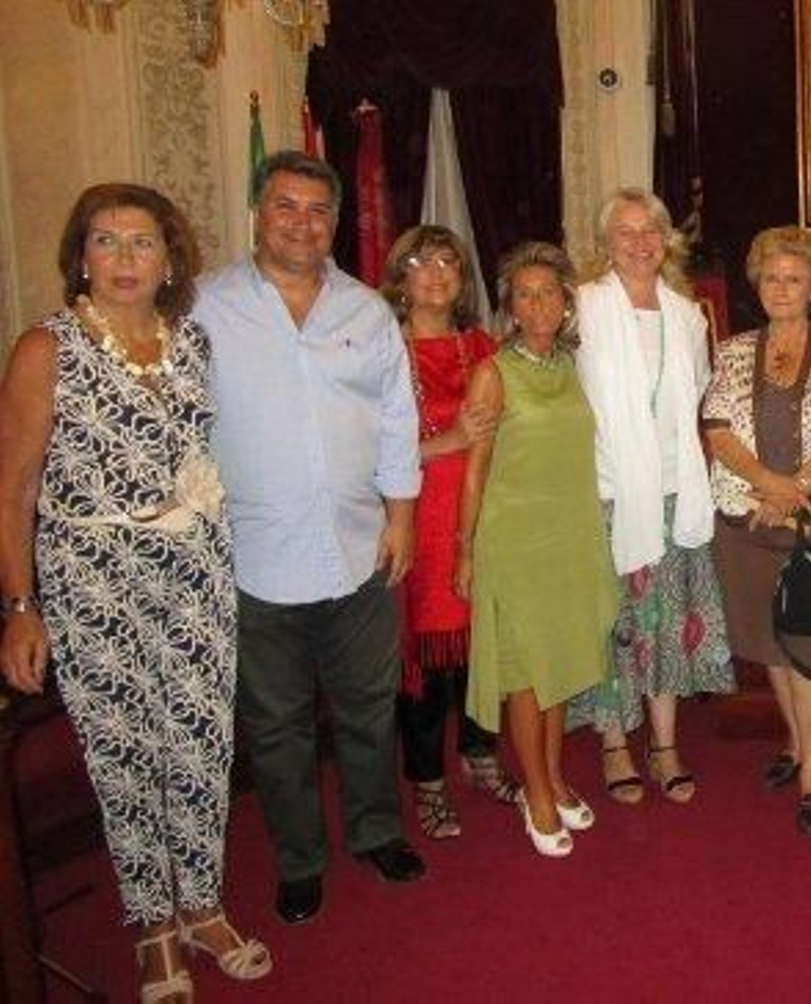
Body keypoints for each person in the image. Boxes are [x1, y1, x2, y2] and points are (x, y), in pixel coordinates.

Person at [0, 184, 271, 1001]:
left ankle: (202, 905)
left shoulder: (191, 343)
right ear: (80, 257)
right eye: (106, 241)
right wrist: (20, 607)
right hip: (93, 575)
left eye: (142, 242)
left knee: (200, 742)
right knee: (126, 754)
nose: (124, 258)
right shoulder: (45, 348)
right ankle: (154, 927)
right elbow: (14, 488)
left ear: (169, 260)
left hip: (194, 566)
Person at [196, 150, 425, 926]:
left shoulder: (366, 311)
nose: (302, 223)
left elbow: (396, 420)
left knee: (368, 708)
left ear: (336, 221)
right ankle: (299, 862)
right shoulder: (204, 308)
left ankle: (377, 831)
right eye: (286, 206)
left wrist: (401, 516)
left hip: (359, 550)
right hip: (253, 560)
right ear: (258, 214)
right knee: (277, 727)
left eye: (318, 209)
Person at [573, 188, 734, 806]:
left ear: (667, 241)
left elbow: (696, 395)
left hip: (672, 489)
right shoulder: (582, 307)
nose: (639, 242)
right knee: (613, 621)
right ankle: (615, 740)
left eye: (651, 231)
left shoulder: (687, 314)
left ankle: (664, 743)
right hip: (606, 490)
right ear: (605, 242)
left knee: (664, 619)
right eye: (625, 231)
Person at [454, 242, 616, 857]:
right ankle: (537, 793)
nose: (538, 304)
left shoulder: (570, 366)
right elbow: (475, 470)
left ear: (565, 303)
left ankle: (552, 776)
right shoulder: (493, 372)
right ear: (511, 307)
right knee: (527, 676)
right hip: (516, 541)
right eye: (525, 295)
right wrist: (465, 550)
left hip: (570, 536)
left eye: (548, 292)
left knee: (560, 666)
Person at [702, 226, 811, 837]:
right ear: (757, 283)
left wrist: (794, 491)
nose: (782, 288)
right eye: (771, 277)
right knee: (771, 640)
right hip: (747, 520)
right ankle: (795, 743)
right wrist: (769, 485)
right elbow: (717, 430)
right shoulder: (733, 350)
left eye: (795, 278)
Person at [378, 225, 517, 841]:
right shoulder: (379, 351)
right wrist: (449, 442)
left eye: (448, 262)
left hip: (487, 517)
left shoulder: (483, 346)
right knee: (430, 665)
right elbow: (359, 448)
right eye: (421, 262)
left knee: (485, 651)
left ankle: (481, 754)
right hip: (417, 523)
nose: (436, 273)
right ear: (399, 277)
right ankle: (428, 781)